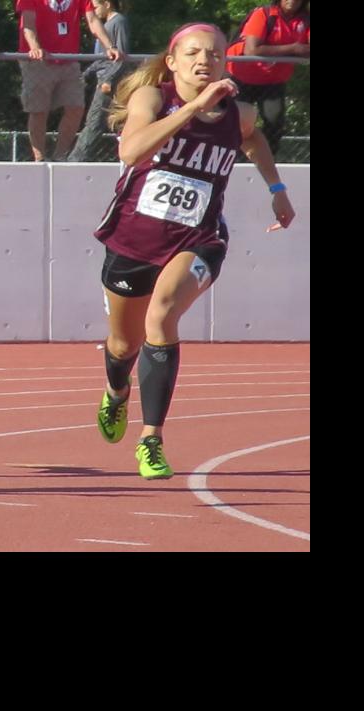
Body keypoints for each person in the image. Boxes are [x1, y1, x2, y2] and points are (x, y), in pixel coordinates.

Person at [91, 22, 294, 479]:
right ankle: (116, 390)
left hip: (198, 238)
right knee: (123, 345)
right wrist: (193, 108)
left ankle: (151, 440)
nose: (205, 61)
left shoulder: (237, 113)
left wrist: (276, 187)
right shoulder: (153, 100)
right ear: (173, 62)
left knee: (161, 316)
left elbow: (253, 138)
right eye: (194, 54)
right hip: (133, 239)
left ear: (227, 63)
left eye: (216, 54)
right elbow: (132, 152)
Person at [16, 0, 120, 162]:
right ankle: (40, 158)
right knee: (39, 110)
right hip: (38, 61)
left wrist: (109, 46)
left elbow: (92, 20)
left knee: (76, 108)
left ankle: (60, 156)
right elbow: (27, 24)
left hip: (68, 59)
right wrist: (35, 47)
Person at [227, 0, 310, 154]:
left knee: (274, 123)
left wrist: (292, 50)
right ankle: (233, 158)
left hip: (273, 81)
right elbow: (252, 50)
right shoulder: (263, 14)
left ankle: (267, 159)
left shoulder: (305, 19)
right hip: (242, 78)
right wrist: (294, 48)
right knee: (237, 121)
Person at [66, 0, 129, 162]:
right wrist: (85, 74)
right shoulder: (105, 25)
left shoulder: (118, 22)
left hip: (108, 81)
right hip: (101, 77)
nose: (94, 11)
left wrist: (109, 79)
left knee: (95, 122)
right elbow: (100, 59)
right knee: (108, 120)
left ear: (107, 4)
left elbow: (121, 56)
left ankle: (75, 160)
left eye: (96, 7)